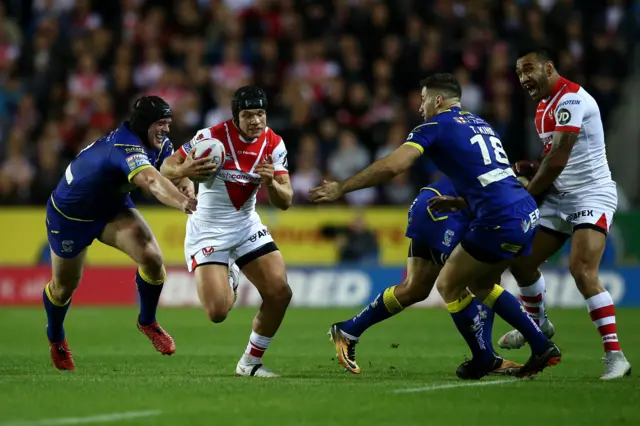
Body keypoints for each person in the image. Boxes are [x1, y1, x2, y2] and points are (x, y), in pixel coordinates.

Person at [310, 73, 561, 378]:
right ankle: (514, 349)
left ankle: (506, 352)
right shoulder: (481, 124)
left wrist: (342, 188)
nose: (420, 107)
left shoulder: (435, 125)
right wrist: (460, 203)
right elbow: (490, 180)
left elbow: (393, 166)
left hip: (490, 216)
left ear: (437, 100)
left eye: (423, 98)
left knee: (449, 284)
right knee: (469, 283)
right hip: (518, 211)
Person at [44, 96, 205, 371]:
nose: (166, 130)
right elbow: (151, 181)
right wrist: (182, 202)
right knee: (63, 288)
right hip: (70, 215)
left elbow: (173, 168)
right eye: (160, 124)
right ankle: (56, 337)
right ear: (144, 124)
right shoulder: (124, 145)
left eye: (168, 123)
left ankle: (147, 322)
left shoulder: (158, 142)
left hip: (111, 207)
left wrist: (187, 183)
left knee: (152, 258)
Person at [499, 47, 631, 380]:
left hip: (591, 194)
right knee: (521, 261)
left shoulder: (572, 100)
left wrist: (527, 196)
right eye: (518, 73)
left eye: (529, 70)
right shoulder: (543, 107)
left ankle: (615, 356)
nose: (524, 78)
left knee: (582, 271)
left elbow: (558, 158)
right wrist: (529, 166)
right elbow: (551, 157)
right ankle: (539, 324)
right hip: (560, 198)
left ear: (549, 68)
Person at [329, 176, 523, 379]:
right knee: (477, 280)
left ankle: (348, 330)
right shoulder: (507, 181)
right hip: (445, 211)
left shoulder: (498, 169)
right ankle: (487, 357)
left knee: (415, 288)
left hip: (429, 203)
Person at [160, 86, 293, 377]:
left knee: (280, 293)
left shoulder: (274, 144)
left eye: (260, 114)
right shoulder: (210, 137)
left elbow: (286, 200)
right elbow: (166, 167)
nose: (256, 121)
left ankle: (249, 363)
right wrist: (187, 171)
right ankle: (230, 277)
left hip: (246, 226)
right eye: (248, 115)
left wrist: (271, 183)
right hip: (207, 230)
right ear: (235, 117)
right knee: (217, 313)